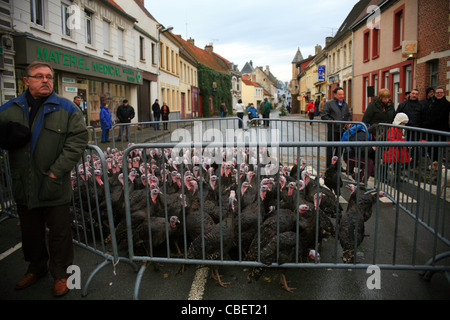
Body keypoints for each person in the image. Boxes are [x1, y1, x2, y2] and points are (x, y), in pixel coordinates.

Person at [0, 61, 88, 297]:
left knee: (60, 233)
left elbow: (78, 140)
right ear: (26, 80)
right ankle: (36, 267)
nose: (46, 80)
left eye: (49, 76)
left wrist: (56, 171)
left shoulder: (67, 109)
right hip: (23, 184)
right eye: (39, 76)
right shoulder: (8, 109)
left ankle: (61, 275)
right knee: (31, 232)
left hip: (54, 183)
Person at [321, 87, 352, 167]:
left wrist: (348, 122)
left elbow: (348, 115)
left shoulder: (345, 104)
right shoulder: (329, 104)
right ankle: (329, 166)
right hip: (333, 130)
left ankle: (337, 166)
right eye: (340, 94)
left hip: (342, 130)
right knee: (330, 149)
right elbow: (324, 115)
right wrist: (333, 121)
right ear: (335, 95)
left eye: (343, 94)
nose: (342, 96)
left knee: (340, 149)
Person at [422, 87, 450, 161]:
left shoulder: (447, 104)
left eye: (441, 92)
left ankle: (438, 164)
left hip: (441, 130)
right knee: (431, 148)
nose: (439, 94)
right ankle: (433, 162)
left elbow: (441, 117)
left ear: (444, 94)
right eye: (437, 92)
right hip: (431, 131)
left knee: (439, 149)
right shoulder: (433, 103)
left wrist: (427, 123)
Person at [383, 113, 410, 184]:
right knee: (387, 163)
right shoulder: (393, 128)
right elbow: (390, 139)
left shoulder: (401, 129)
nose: (404, 125)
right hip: (392, 149)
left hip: (397, 149)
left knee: (398, 163)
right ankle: (383, 177)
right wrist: (401, 141)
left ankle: (397, 177)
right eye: (402, 123)